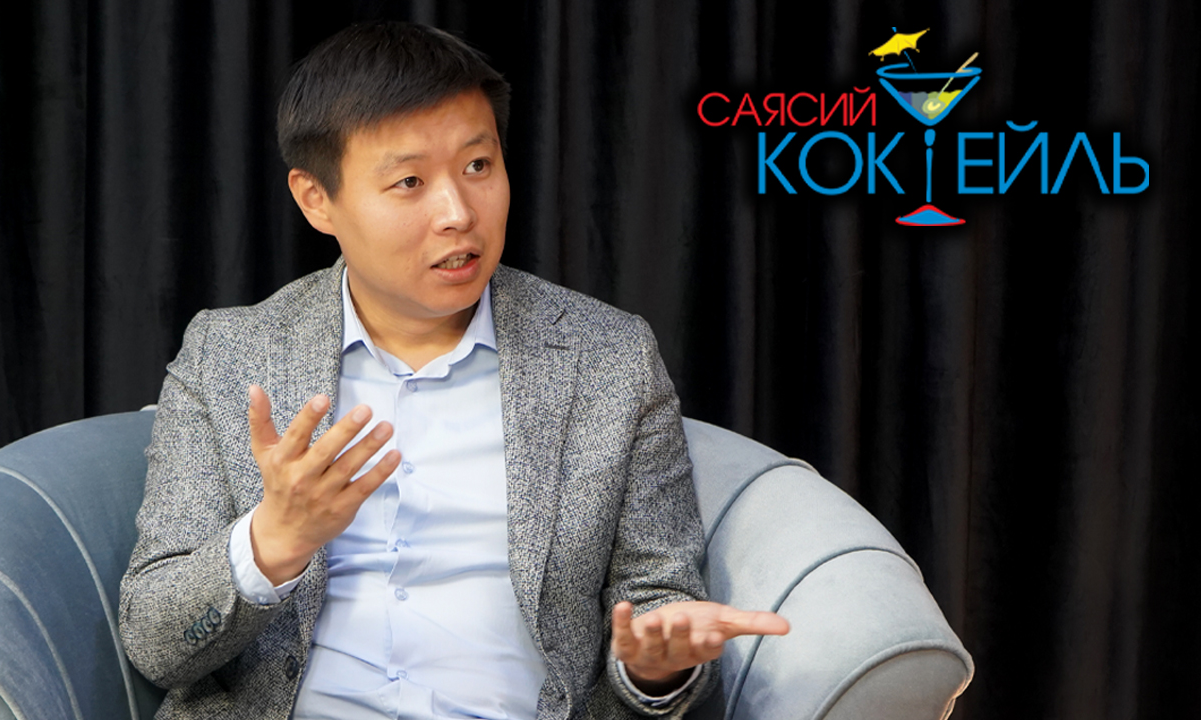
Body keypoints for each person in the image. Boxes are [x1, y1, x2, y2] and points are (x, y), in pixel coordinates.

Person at [118, 21, 788, 720]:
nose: (458, 213)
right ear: (317, 199)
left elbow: (658, 599)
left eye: (478, 166)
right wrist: (271, 543)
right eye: (409, 181)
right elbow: (156, 642)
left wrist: (654, 666)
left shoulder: (608, 359)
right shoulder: (229, 356)